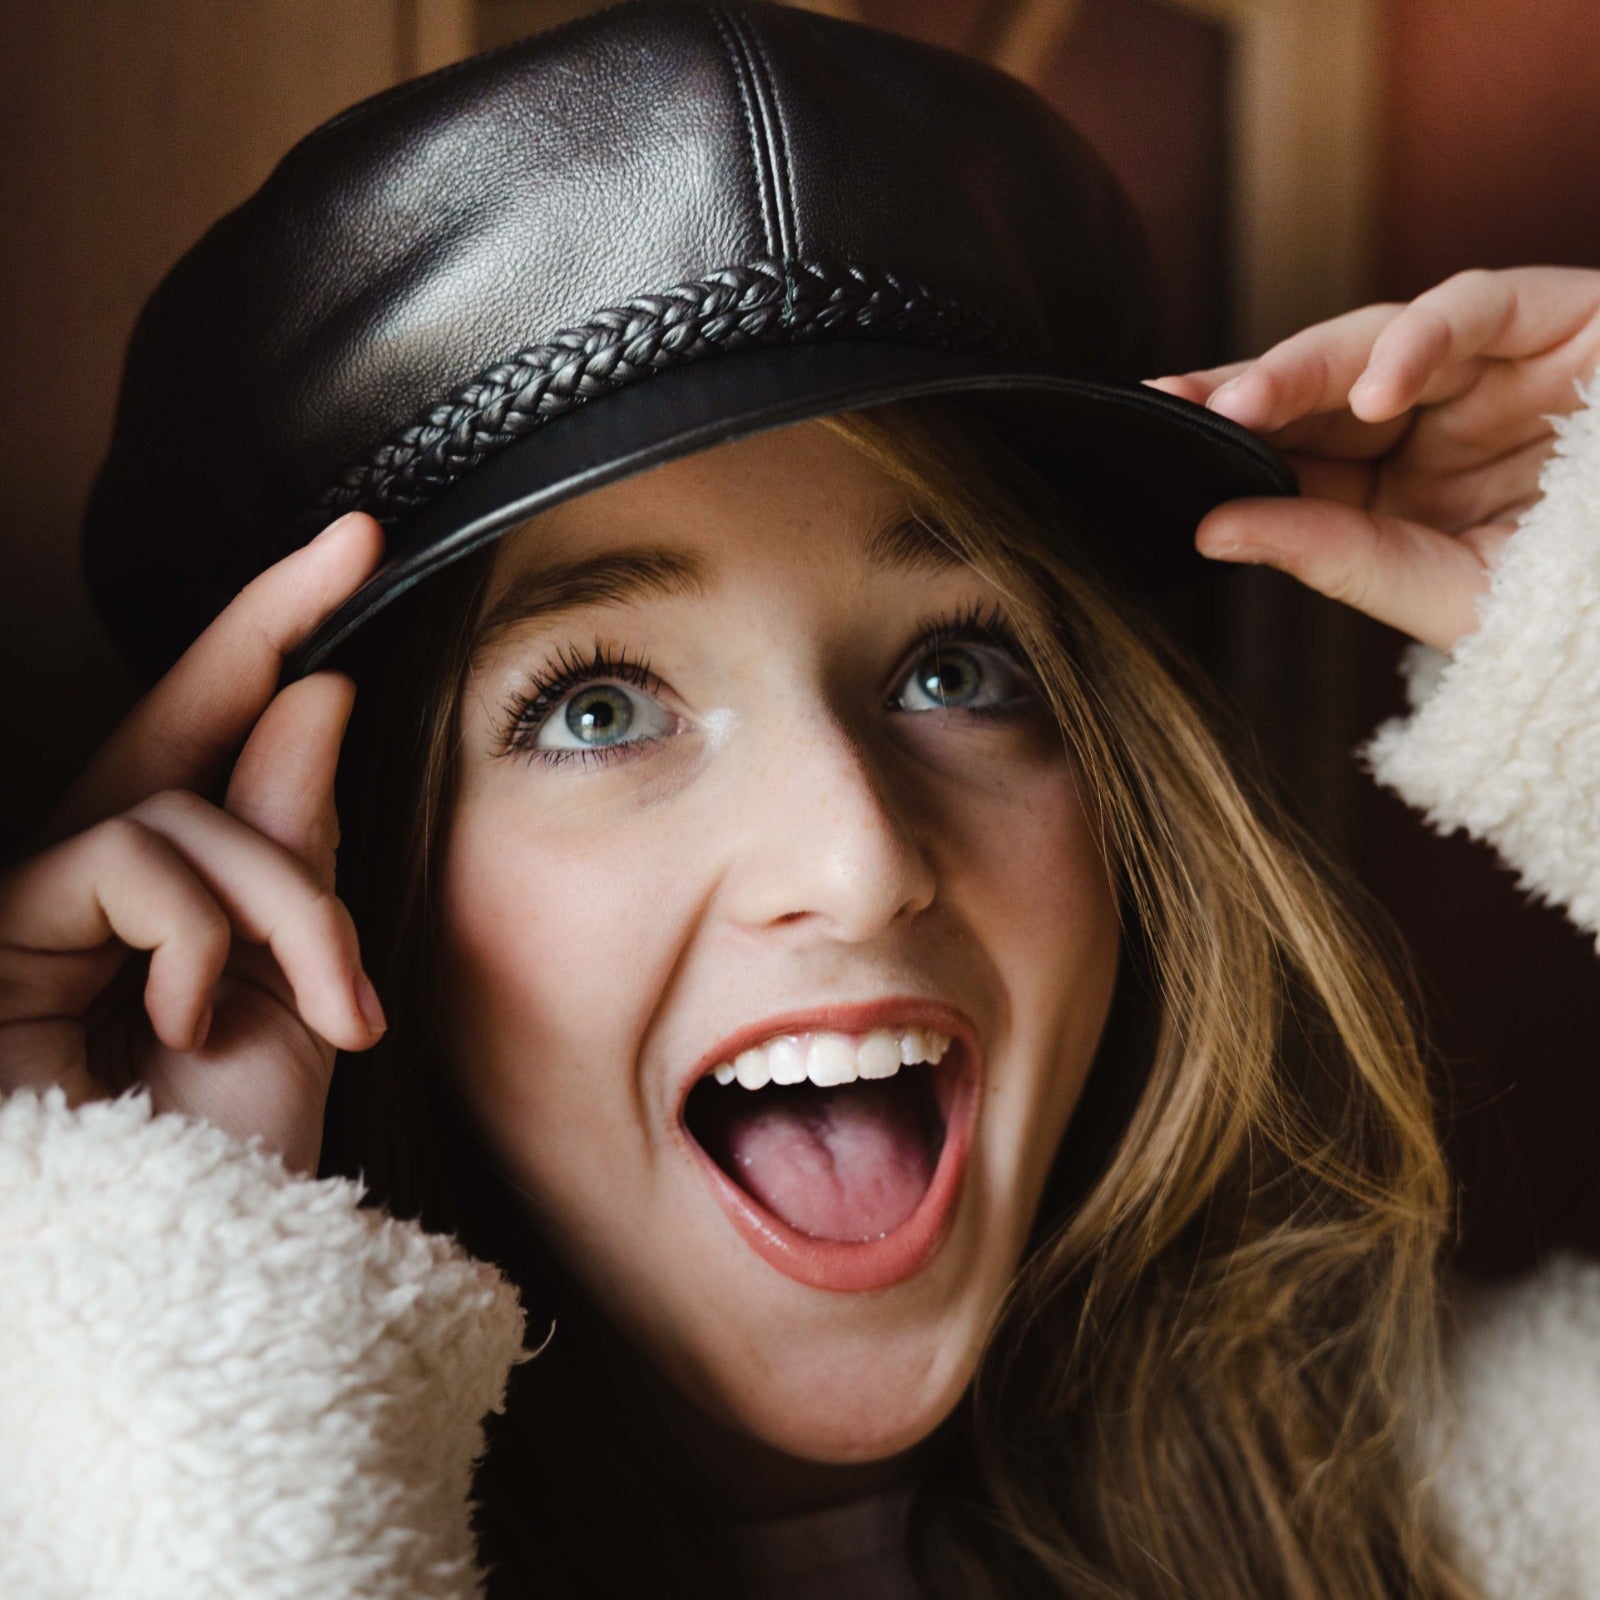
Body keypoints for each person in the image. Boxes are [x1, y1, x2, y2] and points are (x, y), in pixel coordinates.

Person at [1, 5, 1596, 1597]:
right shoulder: (145, 1509)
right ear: (334, 870)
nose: (857, 860)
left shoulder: (1479, 1522)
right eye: (597, 707)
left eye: (962, 672)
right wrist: (159, 1283)